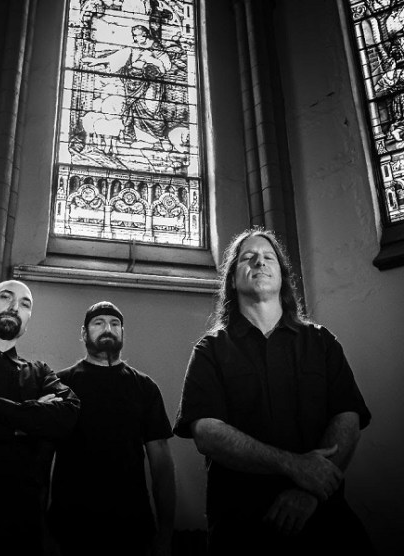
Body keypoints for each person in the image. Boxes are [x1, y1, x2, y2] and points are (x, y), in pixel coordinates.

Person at [173, 228, 375, 556]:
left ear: (282, 276)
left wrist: (310, 491)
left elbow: (348, 416)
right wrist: (293, 465)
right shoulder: (210, 350)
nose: (260, 262)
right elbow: (206, 432)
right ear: (232, 280)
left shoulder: (321, 342)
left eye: (269, 257)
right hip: (242, 526)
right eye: (248, 258)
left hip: (325, 518)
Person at [0, 279, 80, 556]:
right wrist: (28, 423)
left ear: (28, 320)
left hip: (23, 522)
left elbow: (68, 416)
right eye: (6, 297)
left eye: (25, 304)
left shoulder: (39, 372)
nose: (14, 306)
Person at [49, 301, 176, 556]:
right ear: (84, 333)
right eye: (99, 323)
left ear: (122, 333)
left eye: (114, 323)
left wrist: (165, 533)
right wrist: (43, 531)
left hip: (132, 527)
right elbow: (40, 458)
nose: (108, 328)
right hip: (70, 525)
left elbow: (161, 464)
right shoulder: (61, 384)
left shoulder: (145, 388)